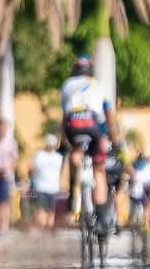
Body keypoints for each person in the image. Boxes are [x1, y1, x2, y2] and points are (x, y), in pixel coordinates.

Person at [60, 55, 118, 229]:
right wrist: (114, 139)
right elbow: (108, 115)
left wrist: (62, 143)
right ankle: (100, 219)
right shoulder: (98, 85)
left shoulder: (67, 85)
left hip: (73, 123)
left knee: (75, 154)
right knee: (99, 170)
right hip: (92, 124)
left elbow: (64, 117)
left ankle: (73, 190)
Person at [29, 133, 64, 230]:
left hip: (53, 188)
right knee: (42, 211)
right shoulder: (40, 155)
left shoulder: (58, 157)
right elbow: (31, 169)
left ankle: (47, 232)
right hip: (41, 187)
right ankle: (43, 231)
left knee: (50, 212)